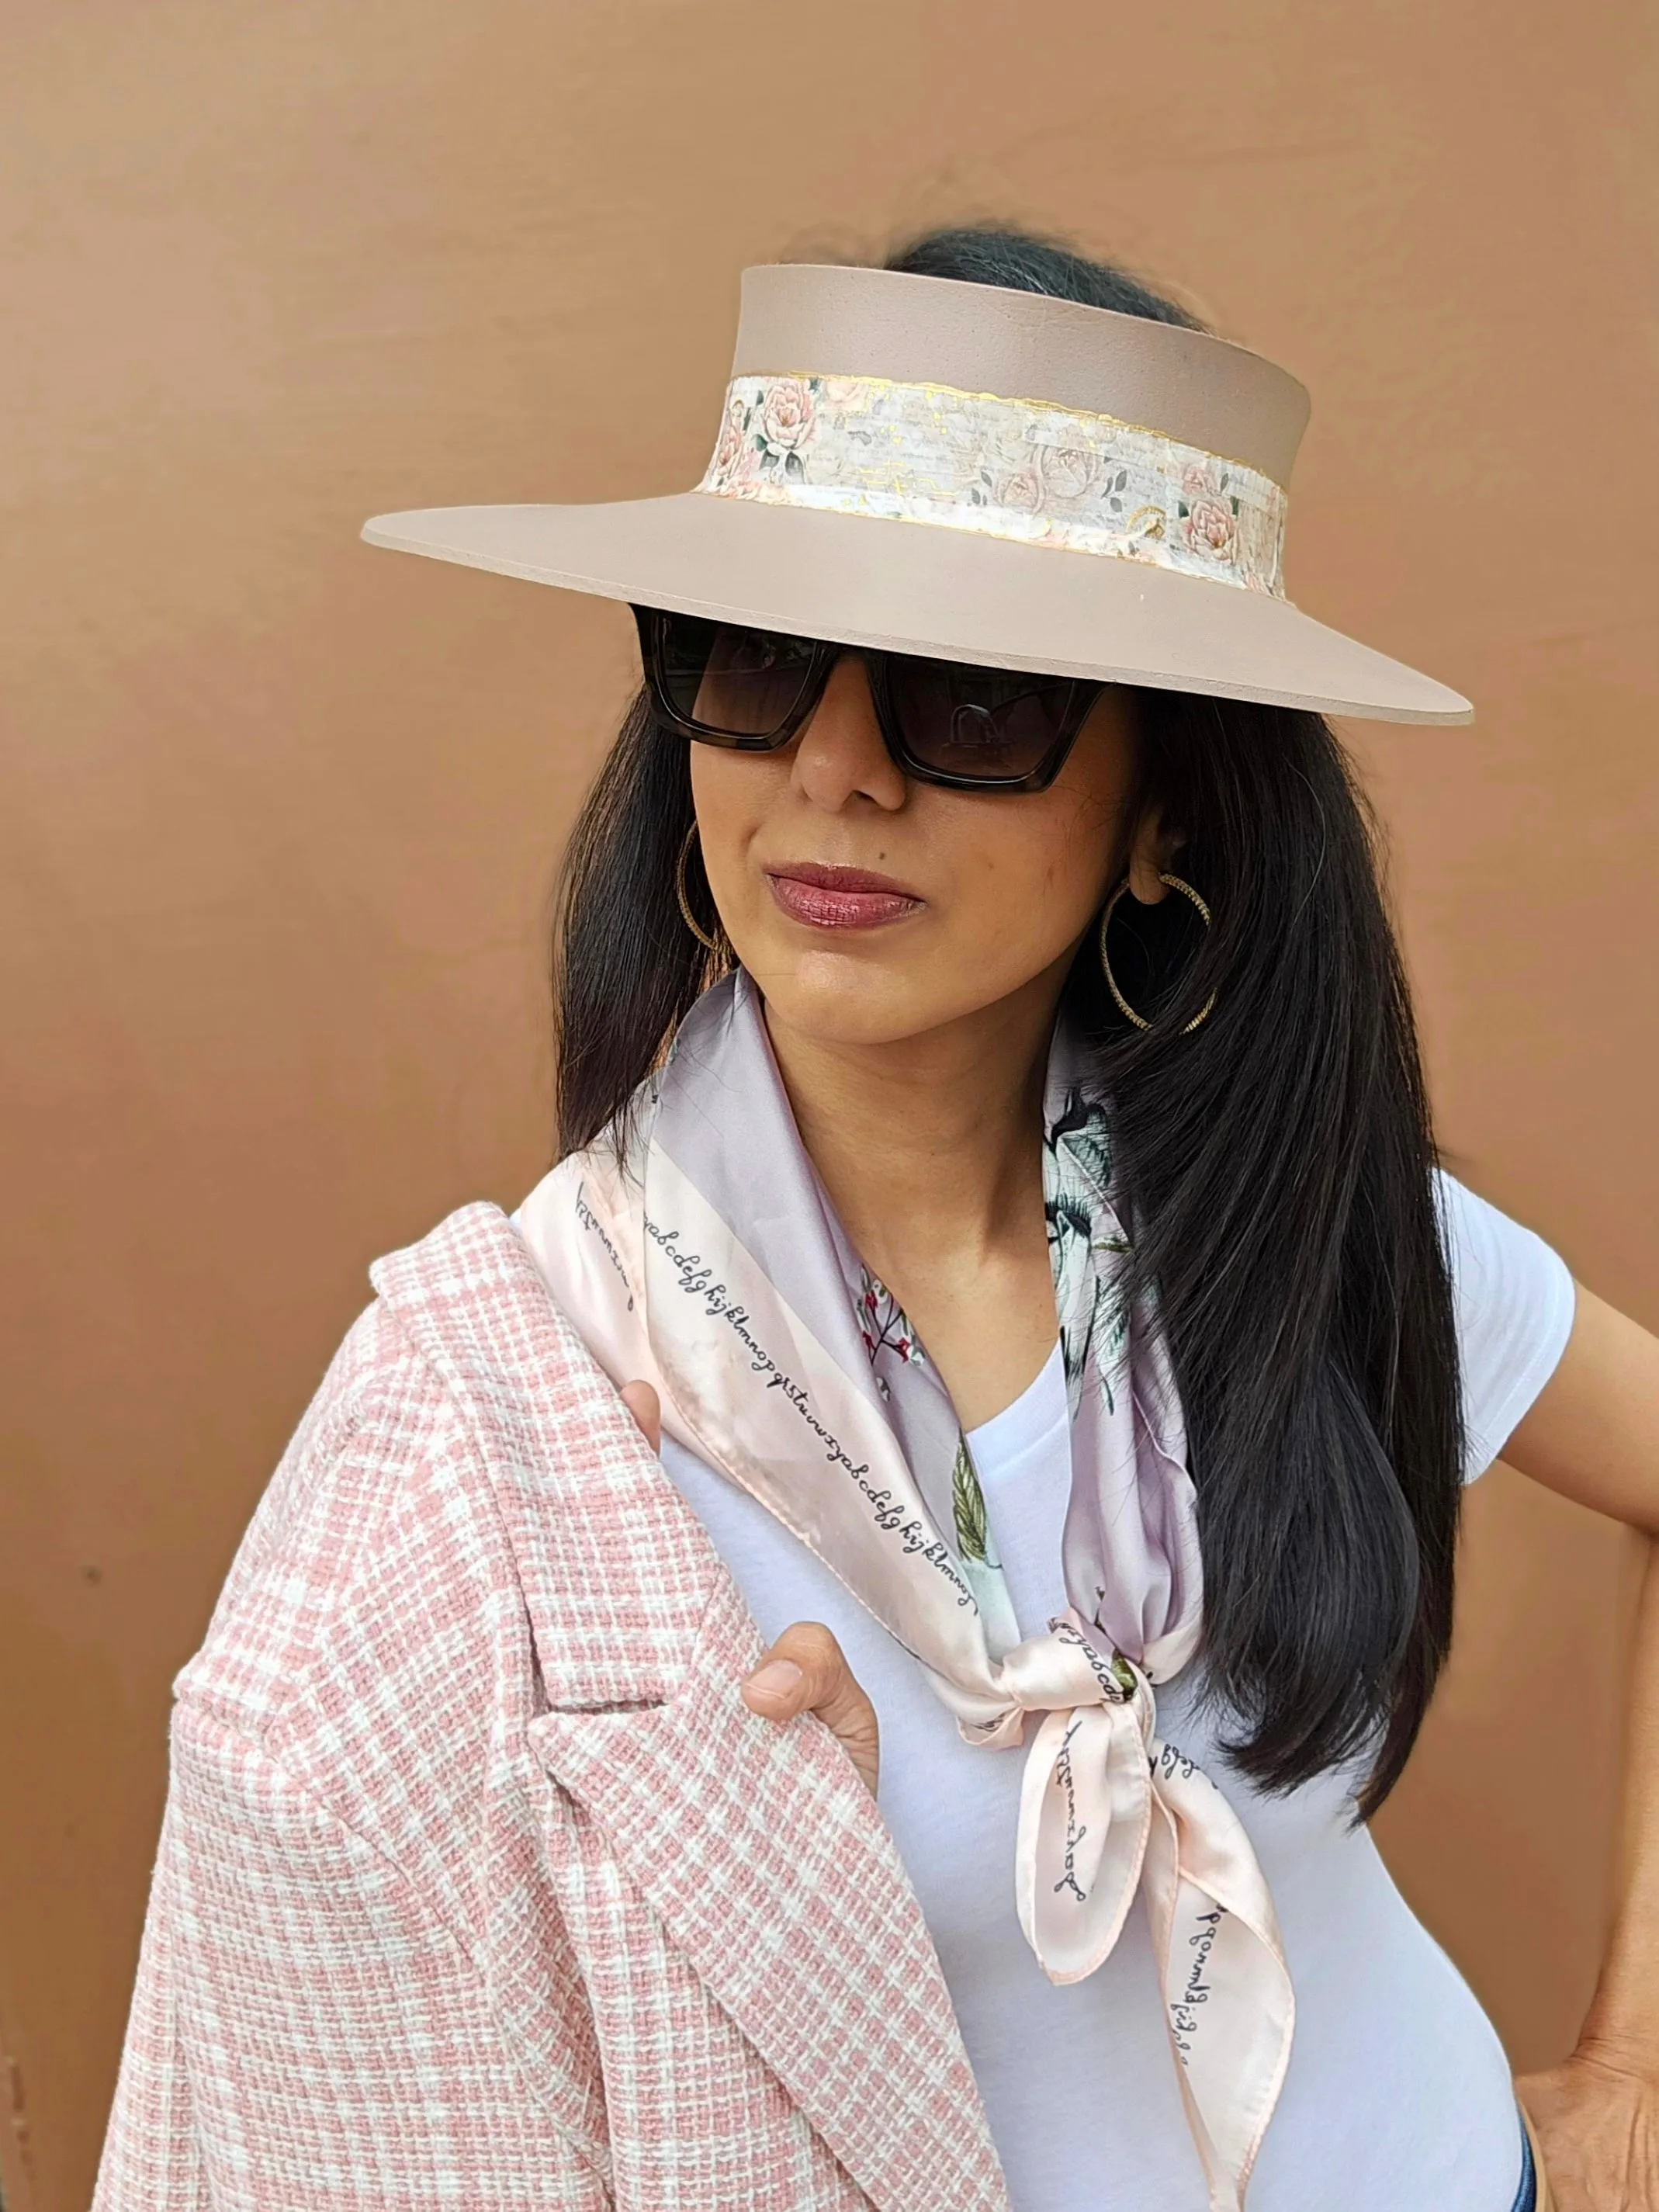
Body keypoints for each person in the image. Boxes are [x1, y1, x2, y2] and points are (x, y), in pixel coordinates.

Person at [95, 228, 1659, 2212]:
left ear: (1169, 806)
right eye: (748, 665)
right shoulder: (530, 1431)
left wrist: (1630, 2076)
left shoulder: (1301, 1237)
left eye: (973, 697)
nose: (832, 767)